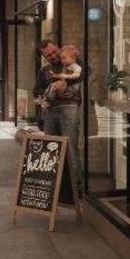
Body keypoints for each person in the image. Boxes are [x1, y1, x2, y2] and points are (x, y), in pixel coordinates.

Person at [35, 39, 84, 195]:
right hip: (50, 111)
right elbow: (36, 92)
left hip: (69, 108)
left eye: (53, 52)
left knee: (71, 151)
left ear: (57, 46)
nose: (53, 56)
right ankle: (55, 190)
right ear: (44, 56)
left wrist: (63, 86)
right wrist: (42, 100)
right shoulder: (44, 71)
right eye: (48, 55)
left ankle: (76, 190)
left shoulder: (72, 61)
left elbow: (85, 74)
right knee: (51, 152)